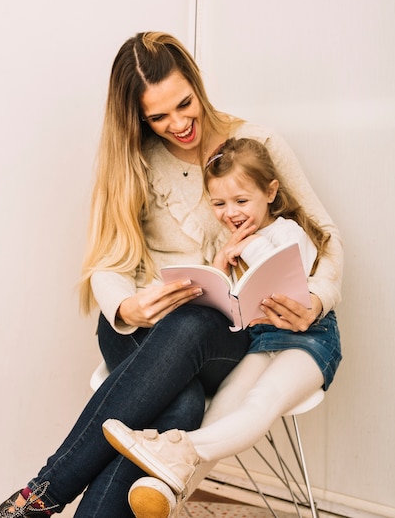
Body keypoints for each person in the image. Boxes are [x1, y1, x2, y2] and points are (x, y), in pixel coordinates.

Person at [0, 32, 343, 518]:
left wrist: (317, 301)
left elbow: (323, 234)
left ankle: (39, 495)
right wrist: (127, 306)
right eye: (158, 116)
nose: (178, 124)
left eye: (184, 104)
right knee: (179, 408)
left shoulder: (257, 144)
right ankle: (43, 500)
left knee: (193, 329)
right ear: (138, 117)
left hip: (221, 337)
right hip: (141, 331)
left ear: (197, 84)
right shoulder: (135, 160)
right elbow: (108, 263)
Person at [102, 137, 342, 502]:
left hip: (308, 336)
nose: (231, 213)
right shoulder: (229, 244)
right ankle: (164, 495)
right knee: (225, 407)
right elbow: (232, 301)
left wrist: (250, 246)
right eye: (219, 203)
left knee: (261, 400)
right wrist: (217, 268)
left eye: (241, 201)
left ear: (271, 192)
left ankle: (172, 448)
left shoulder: (288, 231)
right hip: (261, 338)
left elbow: (293, 272)